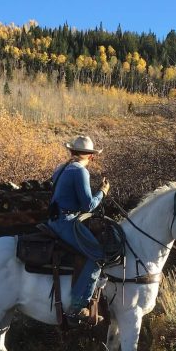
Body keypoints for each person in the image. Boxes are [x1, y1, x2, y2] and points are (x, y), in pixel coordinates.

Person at [47, 135, 110, 316]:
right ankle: (78, 305)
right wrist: (102, 192)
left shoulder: (61, 168)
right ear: (91, 156)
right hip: (65, 222)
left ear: (72, 151)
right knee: (98, 255)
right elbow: (88, 206)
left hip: (53, 219)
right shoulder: (80, 171)